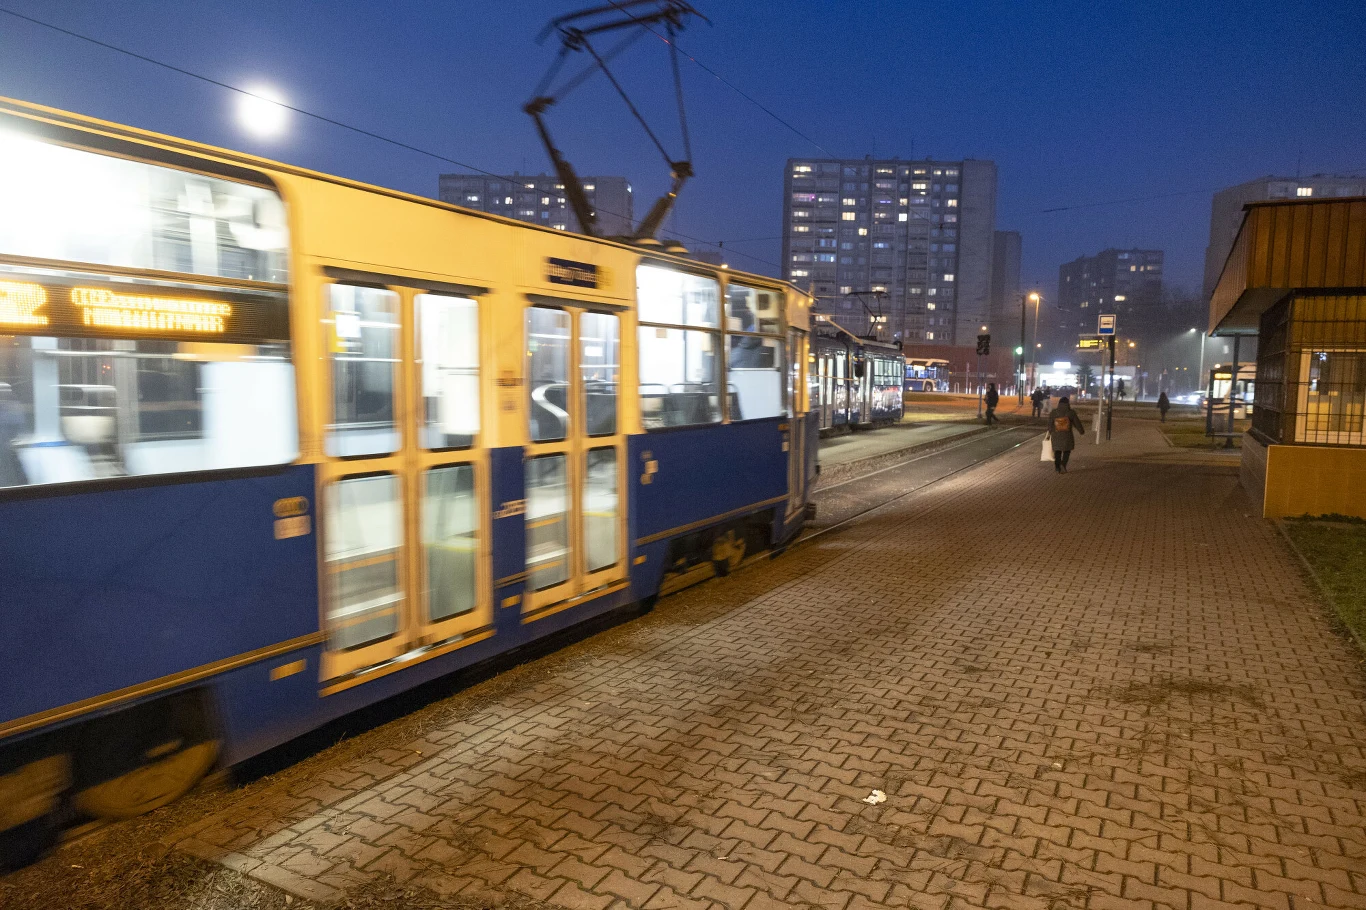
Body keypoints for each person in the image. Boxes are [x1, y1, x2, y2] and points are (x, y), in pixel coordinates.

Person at [1047, 395, 1087, 473]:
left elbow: (1050, 424)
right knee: (1067, 450)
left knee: (1057, 451)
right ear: (1068, 404)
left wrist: (1051, 431)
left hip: (1056, 435)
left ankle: (1057, 467)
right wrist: (1081, 432)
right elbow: (1077, 423)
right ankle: (1063, 464)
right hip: (1067, 435)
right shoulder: (1071, 412)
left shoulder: (1054, 412)